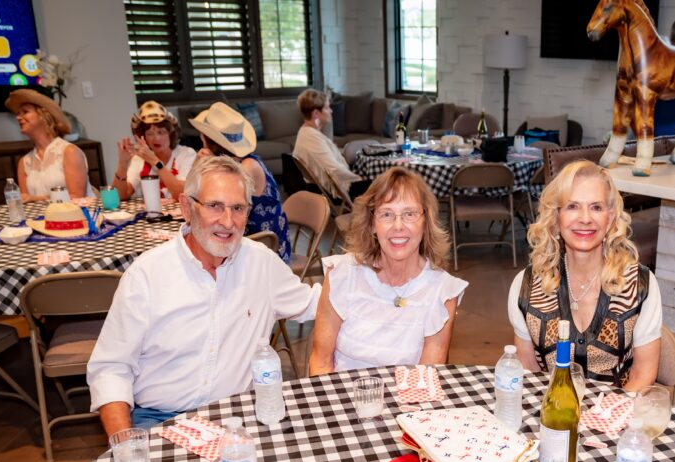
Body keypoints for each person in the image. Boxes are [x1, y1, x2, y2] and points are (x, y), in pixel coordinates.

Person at [87, 156, 322, 434]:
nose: (227, 221)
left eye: (238, 208)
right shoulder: (147, 275)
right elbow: (111, 368)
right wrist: (125, 444)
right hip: (160, 418)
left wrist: (374, 272)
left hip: (238, 415)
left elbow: (316, 303)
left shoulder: (261, 263)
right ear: (187, 207)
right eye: (214, 206)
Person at [508, 160, 661, 390]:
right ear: (556, 218)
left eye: (596, 207)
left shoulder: (640, 285)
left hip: (617, 415)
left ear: (610, 219)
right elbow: (529, 371)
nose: (585, 218)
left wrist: (601, 418)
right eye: (572, 206)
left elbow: (643, 374)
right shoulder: (526, 287)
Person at [308, 166, 467, 373]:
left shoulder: (442, 292)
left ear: (425, 222)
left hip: (407, 403)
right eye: (386, 214)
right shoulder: (342, 274)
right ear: (372, 224)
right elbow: (321, 361)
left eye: (409, 214)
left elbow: (425, 379)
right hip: (343, 399)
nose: (398, 225)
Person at [190, 102, 291, 263]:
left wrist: (204, 167)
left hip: (264, 247)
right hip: (243, 239)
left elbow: (197, 197)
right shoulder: (234, 163)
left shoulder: (247, 167)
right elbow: (191, 196)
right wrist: (199, 164)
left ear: (206, 140)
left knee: (200, 245)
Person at [5, 89, 93, 201]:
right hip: (43, 218)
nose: (18, 117)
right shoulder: (24, 162)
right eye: (18, 113)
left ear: (44, 116)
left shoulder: (69, 152)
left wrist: (35, 199)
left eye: (25, 112)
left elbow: (77, 198)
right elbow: (25, 202)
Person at [111, 101, 197, 201]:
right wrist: (122, 164)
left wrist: (154, 161)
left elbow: (182, 194)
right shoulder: (139, 159)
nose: (156, 138)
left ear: (171, 134)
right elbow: (120, 196)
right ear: (143, 138)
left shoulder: (186, 154)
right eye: (150, 134)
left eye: (161, 132)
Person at [292, 88, 369, 199]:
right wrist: (358, 178)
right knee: (383, 184)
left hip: (331, 187)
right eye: (327, 108)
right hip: (337, 191)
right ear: (316, 113)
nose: (331, 111)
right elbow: (333, 169)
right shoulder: (311, 138)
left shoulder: (307, 132)